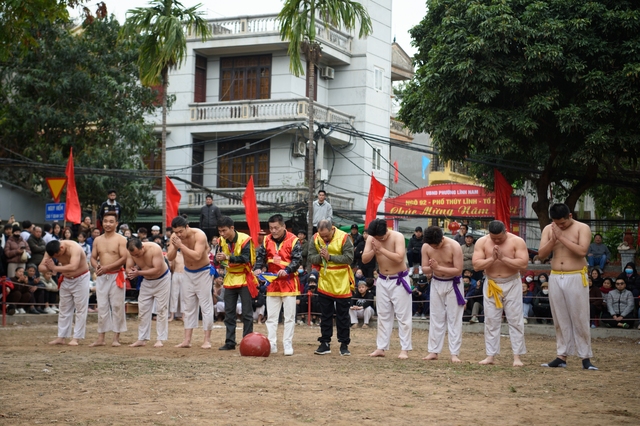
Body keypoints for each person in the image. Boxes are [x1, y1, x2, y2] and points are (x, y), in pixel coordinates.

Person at [537, 203, 598, 370]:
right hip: (556, 275)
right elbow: (541, 255)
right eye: (556, 223)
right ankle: (561, 355)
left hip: (576, 275)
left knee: (579, 316)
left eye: (562, 223)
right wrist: (553, 238)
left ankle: (585, 357)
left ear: (570, 216)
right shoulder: (549, 229)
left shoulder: (582, 228)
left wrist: (561, 237)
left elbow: (582, 251)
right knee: (559, 317)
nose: (559, 226)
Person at [472, 220, 529, 367]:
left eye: (499, 238)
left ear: (505, 231)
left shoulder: (517, 241)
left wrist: (503, 259)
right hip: (491, 283)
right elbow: (476, 265)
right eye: (493, 238)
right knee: (491, 320)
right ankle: (490, 355)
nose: (496, 241)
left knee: (515, 319)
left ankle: (517, 356)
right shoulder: (482, 242)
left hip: (512, 282)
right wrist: (492, 259)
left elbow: (523, 264)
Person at [362, 219, 412, 358]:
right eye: (376, 237)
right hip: (382, 279)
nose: (378, 239)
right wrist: (374, 249)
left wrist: (381, 249)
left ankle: (405, 349)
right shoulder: (372, 238)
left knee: (403, 316)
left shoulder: (397, 236)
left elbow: (399, 258)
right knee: (383, 315)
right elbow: (364, 259)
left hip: (399, 279)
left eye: (381, 237)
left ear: (386, 231)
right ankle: (381, 347)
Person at [253, 214, 302, 355]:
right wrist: (257, 267)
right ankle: (272, 343)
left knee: (289, 316)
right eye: (271, 228)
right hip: (272, 282)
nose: (273, 231)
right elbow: (260, 257)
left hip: (288, 282)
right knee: (272, 317)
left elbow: (297, 260)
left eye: (276, 228)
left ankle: (287, 344)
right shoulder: (266, 240)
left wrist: (287, 270)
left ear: (283, 226)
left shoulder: (294, 240)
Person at [167, 215, 216, 349]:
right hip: (187, 272)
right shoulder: (175, 237)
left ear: (187, 227)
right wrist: (175, 246)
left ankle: (207, 340)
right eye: (176, 232)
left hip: (203, 272)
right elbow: (170, 257)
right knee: (188, 307)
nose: (178, 234)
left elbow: (198, 255)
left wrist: (180, 246)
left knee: (206, 305)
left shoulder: (199, 235)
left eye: (181, 231)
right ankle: (187, 340)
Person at [307, 219, 354, 356]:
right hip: (325, 281)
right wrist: (321, 258)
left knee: (343, 316)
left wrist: (330, 257)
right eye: (322, 236)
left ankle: (344, 344)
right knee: (325, 315)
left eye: (327, 236)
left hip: (342, 281)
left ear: (332, 229)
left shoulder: (344, 237)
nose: (324, 238)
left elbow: (349, 258)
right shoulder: (315, 238)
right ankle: (325, 343)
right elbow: (311, 257)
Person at [421, 225, 464, 363]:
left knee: (454, 318)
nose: (435, 248)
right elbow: (424, 268)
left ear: (442, 239)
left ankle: (454, 353)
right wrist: (433, 269)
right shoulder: (426, 247)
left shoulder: (454, 246)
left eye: (437, 245)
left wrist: (438, 267)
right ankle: (433, 351)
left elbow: (458, 270)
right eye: (432, 246)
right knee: (436, 317)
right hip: (436, 282)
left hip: (453, 283)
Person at [215, 215, 257, 350]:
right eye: (220, 231)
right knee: (229, 312)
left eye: (224, 230)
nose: (222, 234)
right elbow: (219, 260)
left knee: (247, 313)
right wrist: (218, 260)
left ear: (232, 228)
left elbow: (247, 259)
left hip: (244, 277)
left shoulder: (245, 240)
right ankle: (230, 342)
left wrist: (227, 257)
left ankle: (248, 342)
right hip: (230, 278)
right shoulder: (221, 241)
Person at [40, 240, 90, 346]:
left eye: (57, 255)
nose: (57, 257)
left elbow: (73, 266)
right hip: (66, 279)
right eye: (55, 257)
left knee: (80, 308)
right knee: (64, 308)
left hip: (81, 277)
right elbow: (41, 267)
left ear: (62, 248)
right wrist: (49, 267)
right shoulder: (50, 250)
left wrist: (54, 268)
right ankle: (61, 337)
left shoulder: (74, 247)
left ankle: (76, 338)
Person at [89, 212, 128, 347]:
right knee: (102, 306)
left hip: (116, 275)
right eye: (105, 221)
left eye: (111, 221)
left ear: (116, 224)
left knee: (117, 306)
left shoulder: (121, 239)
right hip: (101, 276)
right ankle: (101, 337)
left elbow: (123, 258)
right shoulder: (97, 240)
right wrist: (96, 267)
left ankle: (116, 337)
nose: (108, 224)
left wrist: (107, 268)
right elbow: (93, 257)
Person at [127, 238, 171, 347]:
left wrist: (138, 272)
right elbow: (128, 268)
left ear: (142, 247)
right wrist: (131, 272)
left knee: (161, 309)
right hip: (146, 280)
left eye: (137, 254)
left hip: (162, 279)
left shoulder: (155, 248)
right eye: (134, 255)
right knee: (143, 309)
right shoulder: (130, 252)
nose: (136, 257)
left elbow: (157, 269)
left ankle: (160, 339)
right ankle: (142, 338)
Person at [168, 249, 184, 322]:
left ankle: (183, 316)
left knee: (184, 296)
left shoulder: (187, 255)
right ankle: (172, 315)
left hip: (184, 275)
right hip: (176, 274)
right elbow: (172, 266)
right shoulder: (176, 254)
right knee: (174, 295)